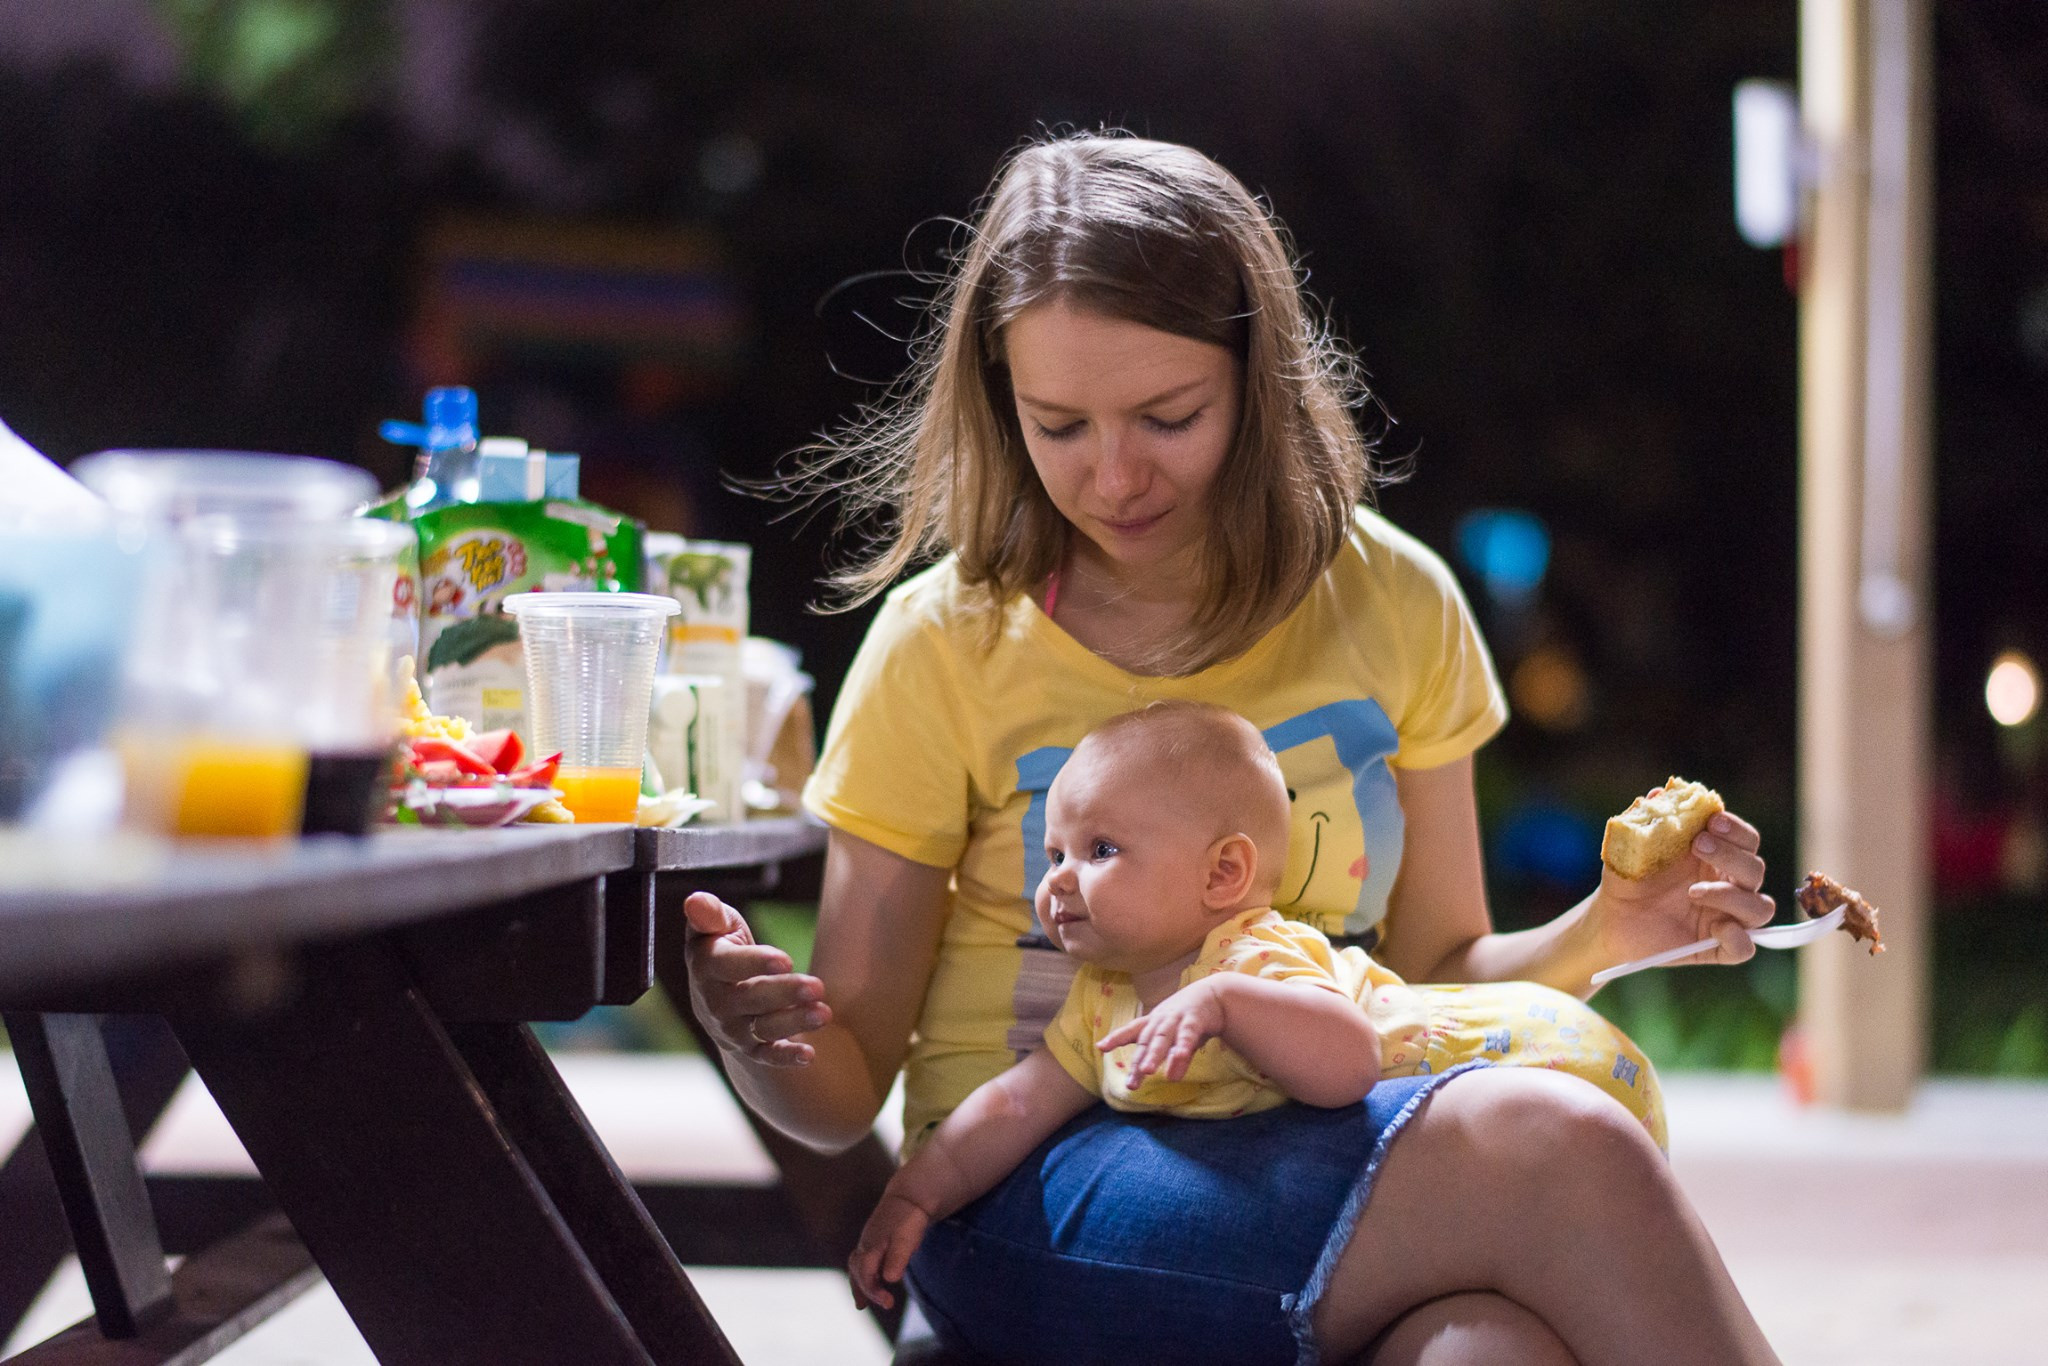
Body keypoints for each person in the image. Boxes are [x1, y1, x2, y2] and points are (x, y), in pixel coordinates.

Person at [685, 133, 1781, 1365]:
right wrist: (758, 1043)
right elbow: (838, 1103)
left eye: (1167, 416)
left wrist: (1603, 932)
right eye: (1056, 426)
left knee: (1493, 1353)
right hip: (1026, 1186)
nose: (1111, 475)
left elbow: (1434, 969)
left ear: (1255, 382)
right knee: (1558, 1144)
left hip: (1315, 1128)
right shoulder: (942, 641)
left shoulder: (1394, 602)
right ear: (1000, 405)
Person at [847, 700, 1665, 1318]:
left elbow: (1346, 1064)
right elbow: (1019, 1101)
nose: (1059, 880)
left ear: (1222, 876)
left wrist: (1229, 1004)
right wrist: (918, 1192)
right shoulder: (1102, 999)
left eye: (1101, 851)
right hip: (1455, 1163)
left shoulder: (1256, 956)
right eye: (1054, 852)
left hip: (1544, 1062)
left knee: (1591, 1285)